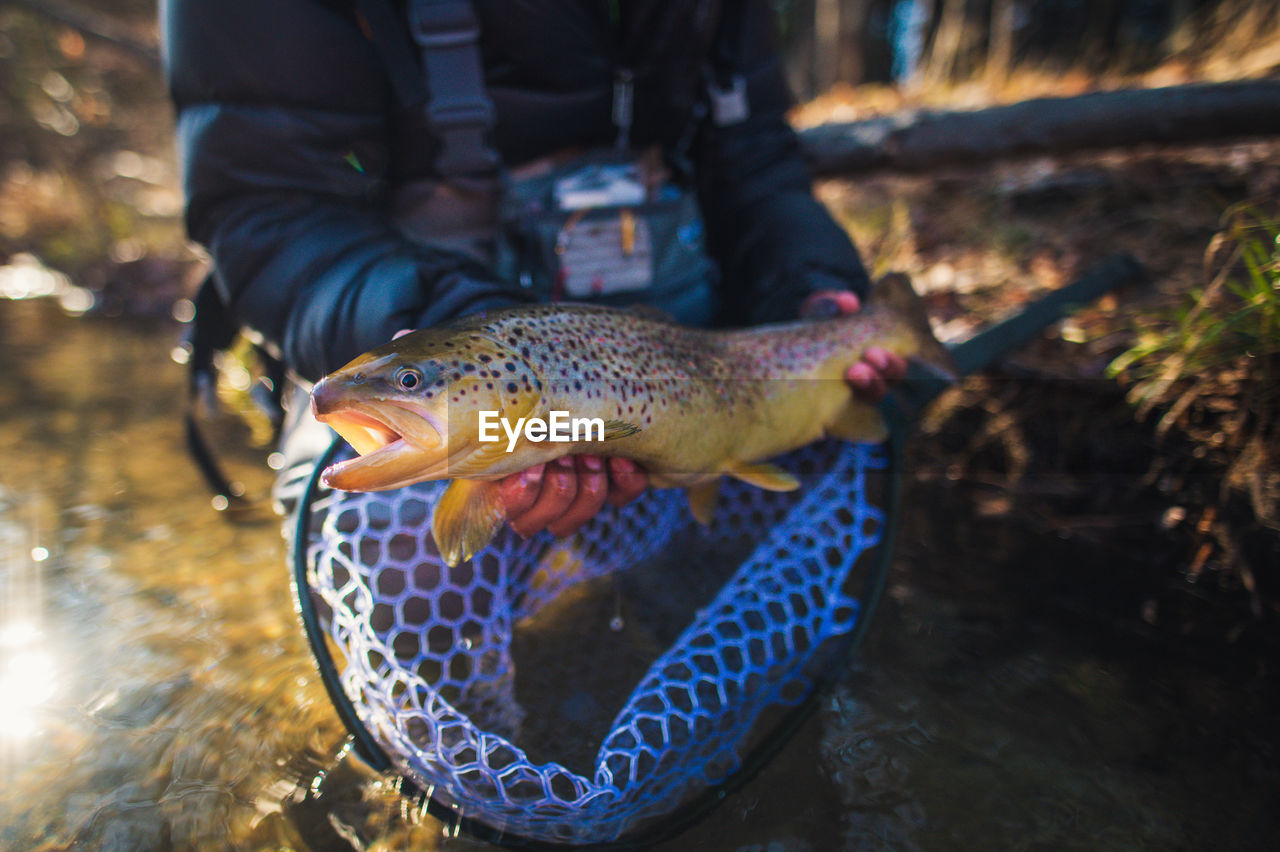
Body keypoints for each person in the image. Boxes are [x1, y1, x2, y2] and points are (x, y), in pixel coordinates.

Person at [162, 0, 905, 544]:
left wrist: (808, 282)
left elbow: (753, 158)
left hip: (698, 343)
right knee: (388, 549)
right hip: (399, 312)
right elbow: (269, 208)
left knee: (825, 472)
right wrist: (453, 316)